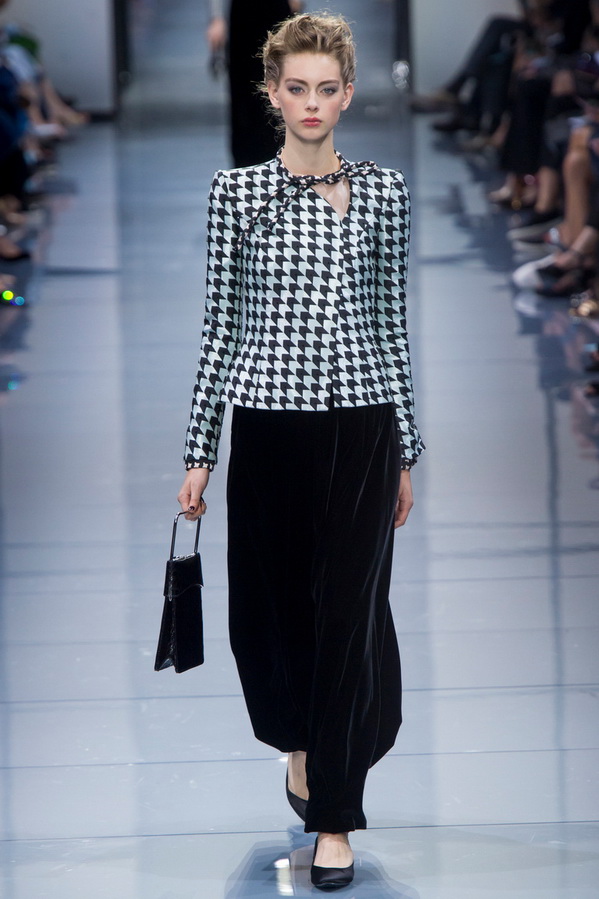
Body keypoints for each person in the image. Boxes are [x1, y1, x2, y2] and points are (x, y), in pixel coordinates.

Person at [178, 12, 424, 891]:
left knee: (350, 615)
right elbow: (220, 325)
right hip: (269, 422)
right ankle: (300, 741)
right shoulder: (235, 193)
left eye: (326, 89)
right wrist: (200, 448)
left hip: (361, 423)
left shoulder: (385, 192)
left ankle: (334, 819)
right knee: (271, 613)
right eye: (296, 88)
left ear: (347, 94)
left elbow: (390, 323)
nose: (311, 103)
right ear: (271, 93)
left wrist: (406, 448)